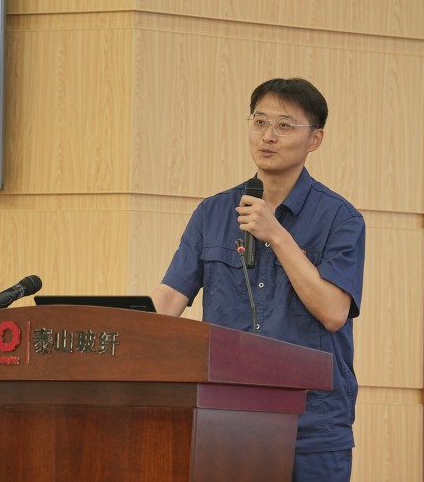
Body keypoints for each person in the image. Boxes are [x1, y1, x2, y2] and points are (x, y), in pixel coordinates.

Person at [151, 78, 365, 482]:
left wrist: (277, 235)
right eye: (259, 121)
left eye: (284, 125)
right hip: (226, 419)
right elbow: (167, 302)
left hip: (312, 425)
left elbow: (334, 312)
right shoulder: (213, 213)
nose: (267, 136)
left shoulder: (341, 219)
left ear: (314, 139)